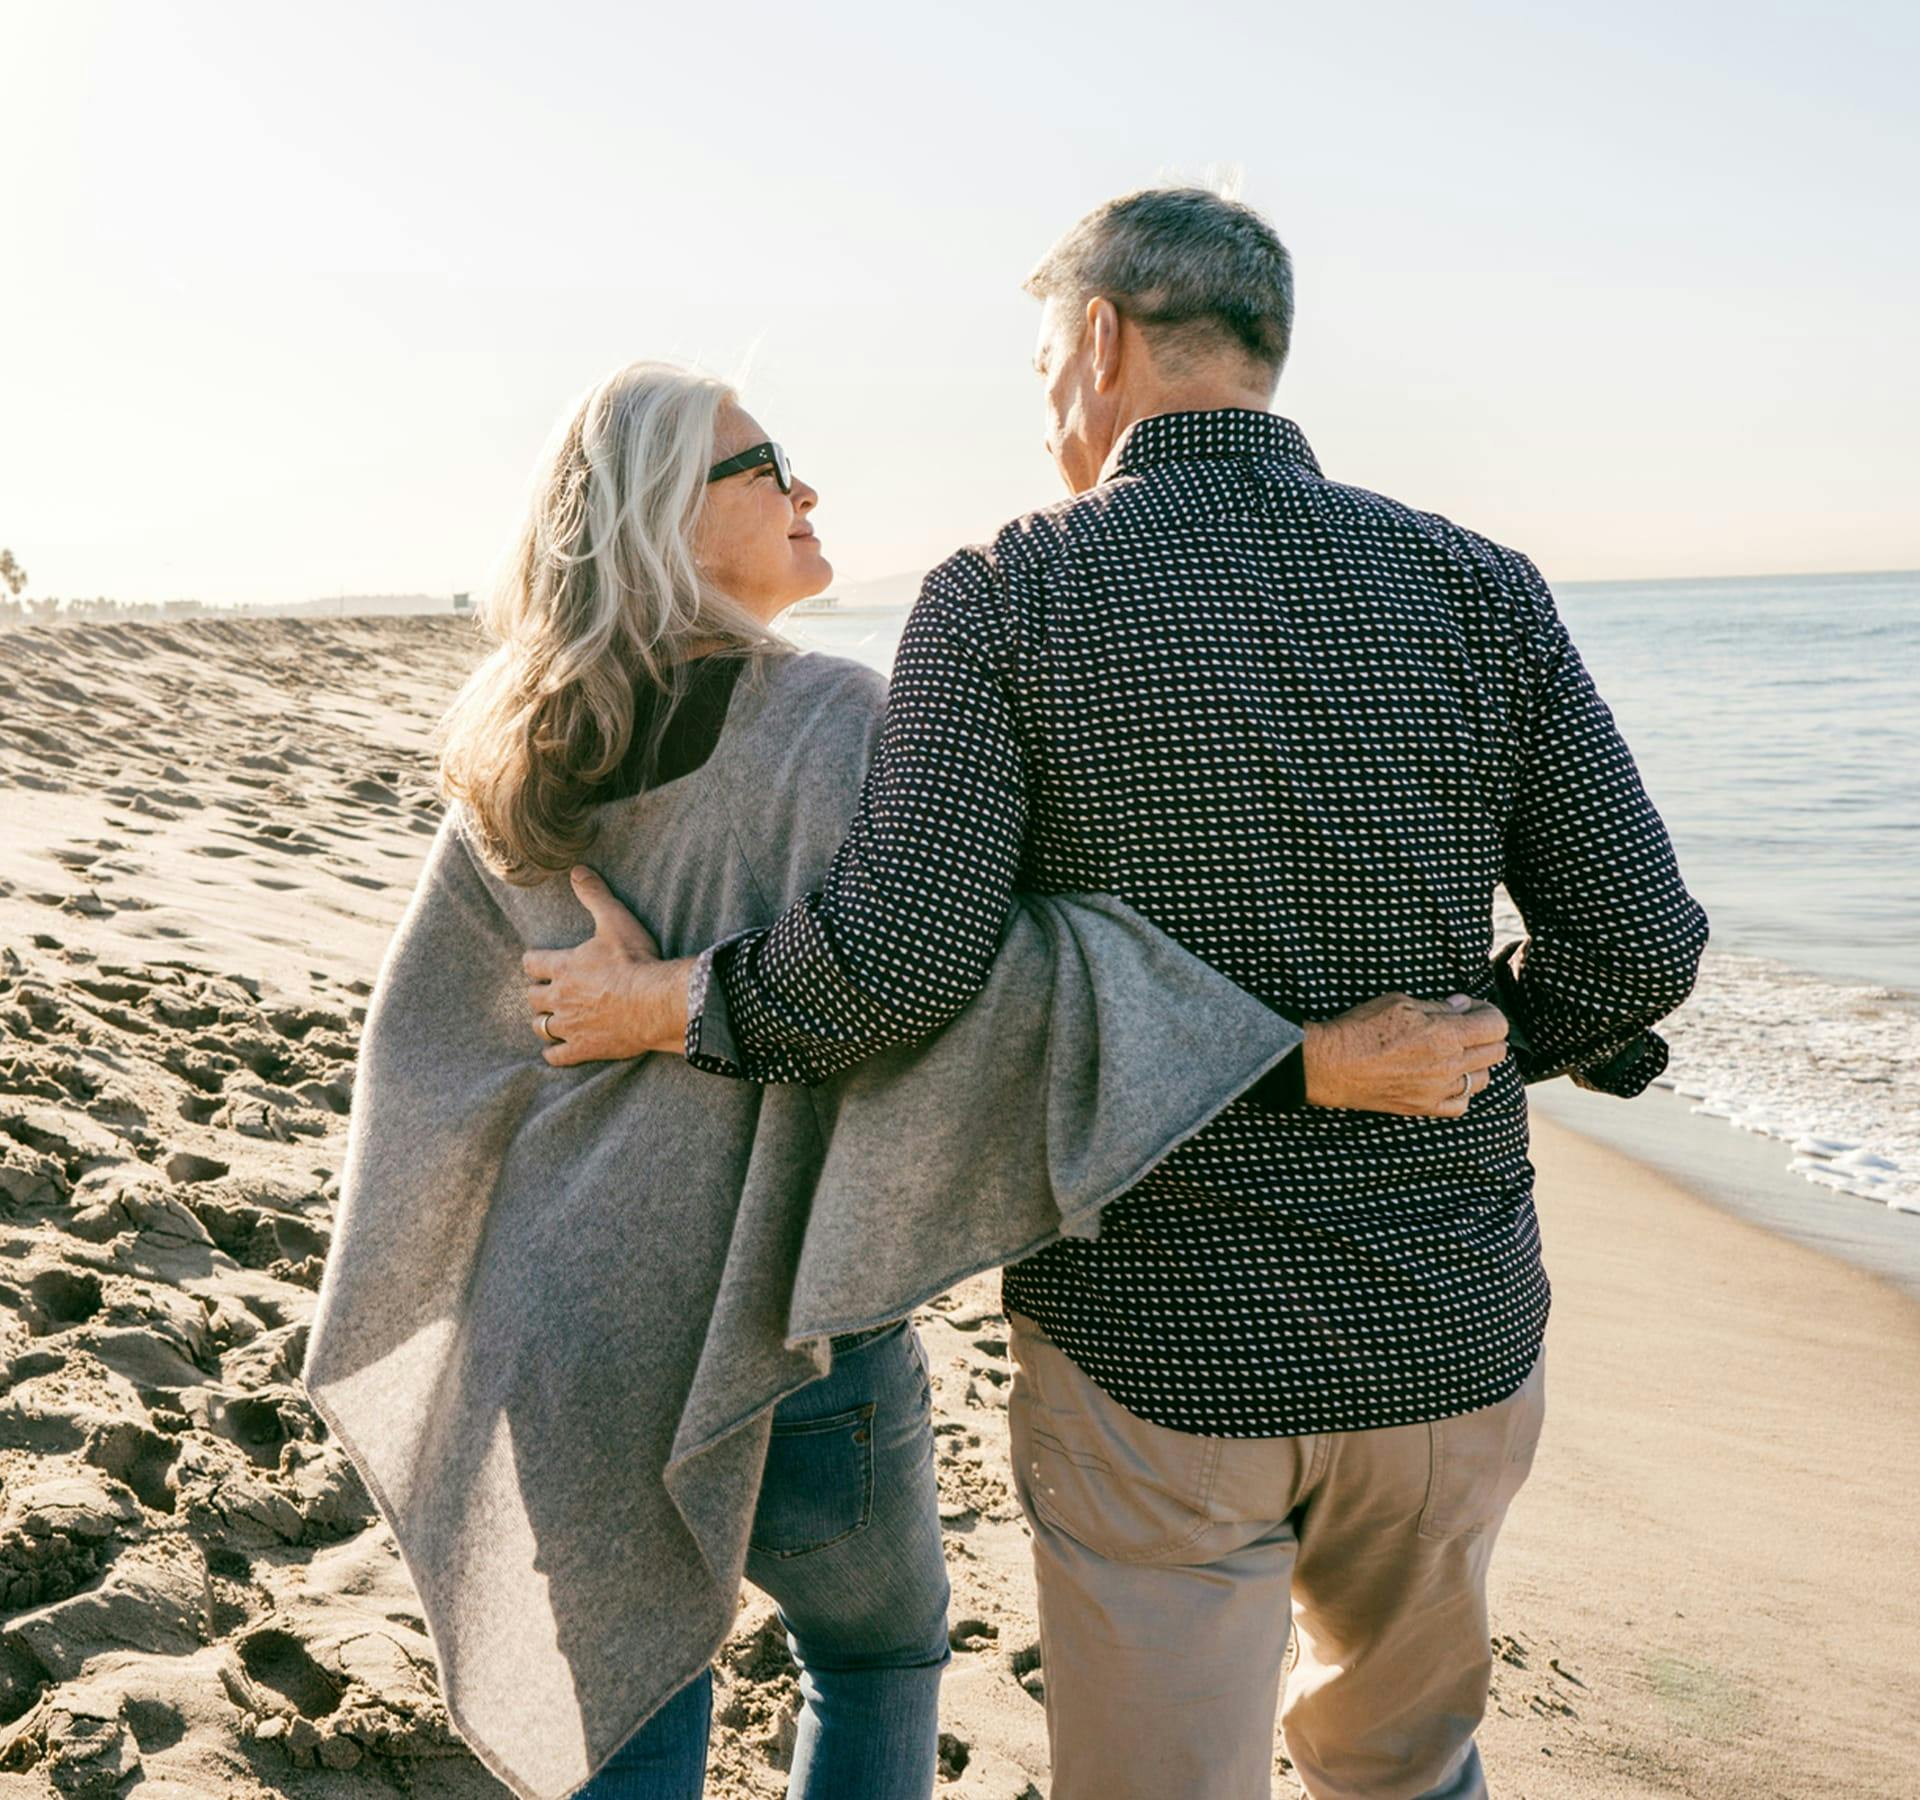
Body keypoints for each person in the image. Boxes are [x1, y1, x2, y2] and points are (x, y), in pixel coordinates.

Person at [530, 187, 1708, 1800]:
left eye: (1038, 374)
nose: (1043, 422)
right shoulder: (1480, 584)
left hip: (1159, 1341)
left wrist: (673, 1000)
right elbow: (1642, 943)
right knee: (1413, 1772)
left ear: (1099, 343)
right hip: (1451, 1326)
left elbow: (894, 972)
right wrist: (1500, 1035)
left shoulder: (1009, 591)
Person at [311, 358, 1503, 1800]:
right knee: (875, 1657)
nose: (806, 488)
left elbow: (433, 1044)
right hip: (789, 1324)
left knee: (626, 1696)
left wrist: (607, 1046)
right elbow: (983, 990)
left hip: (561, 1326)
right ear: (664, 518)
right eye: (766, 468)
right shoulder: (832, 725)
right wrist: (1299, 1055)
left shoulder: (514, 742)